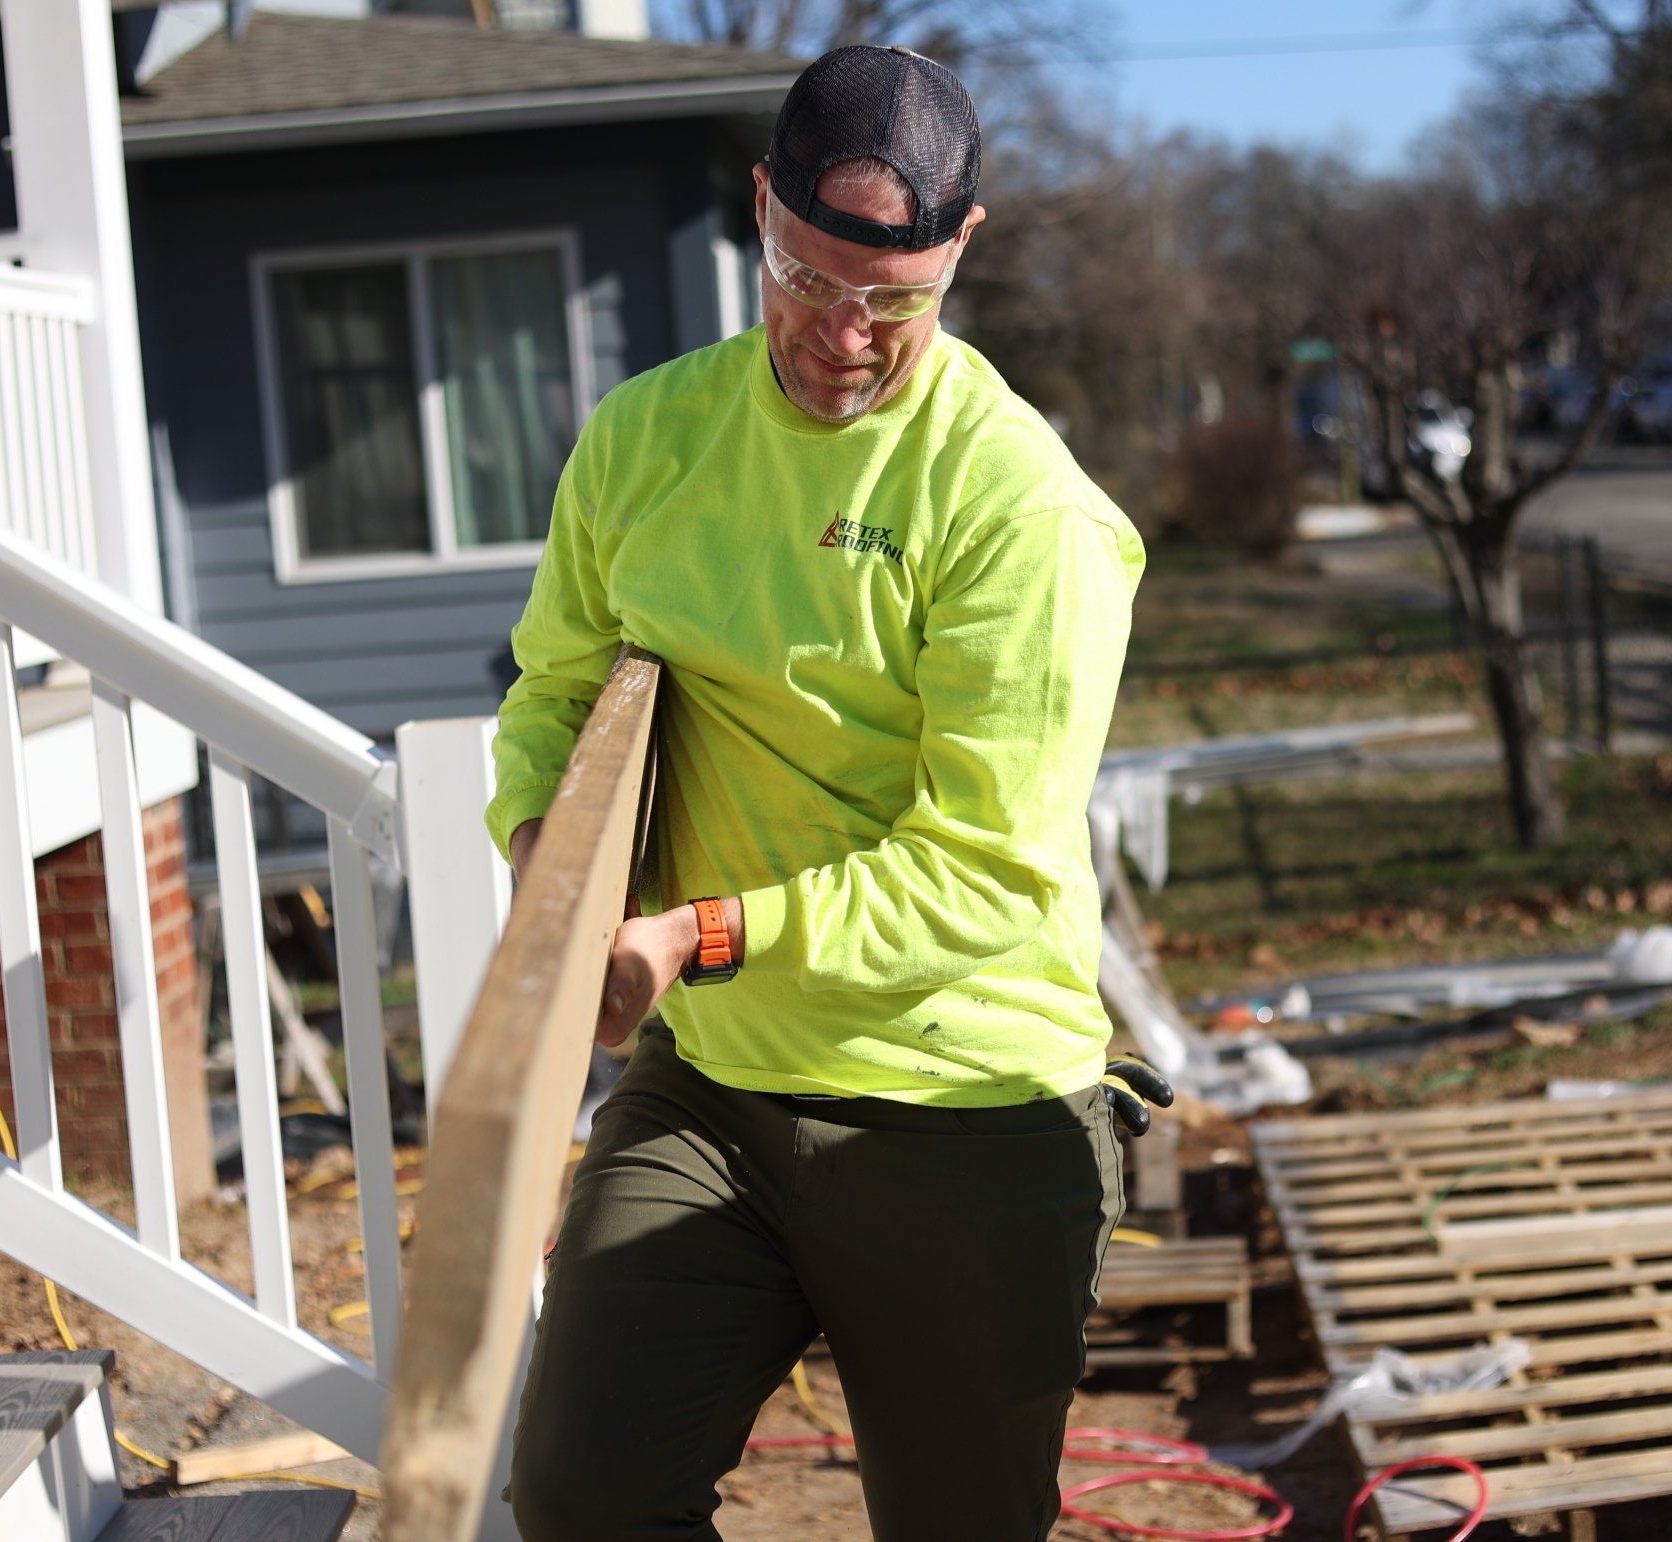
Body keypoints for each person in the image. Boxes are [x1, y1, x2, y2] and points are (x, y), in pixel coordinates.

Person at [485, 43, 1168, 1542]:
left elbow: (981, 868)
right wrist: (557, 860)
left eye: (895, 299)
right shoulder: (648, 441)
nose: (844, 335)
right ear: (760, 212)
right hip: (714, 1088)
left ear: (962, 254)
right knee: (585, 1497)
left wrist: (691, 936)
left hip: (965, 1104)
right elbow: (550, 689)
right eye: (806, 278)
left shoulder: (1020, 510)